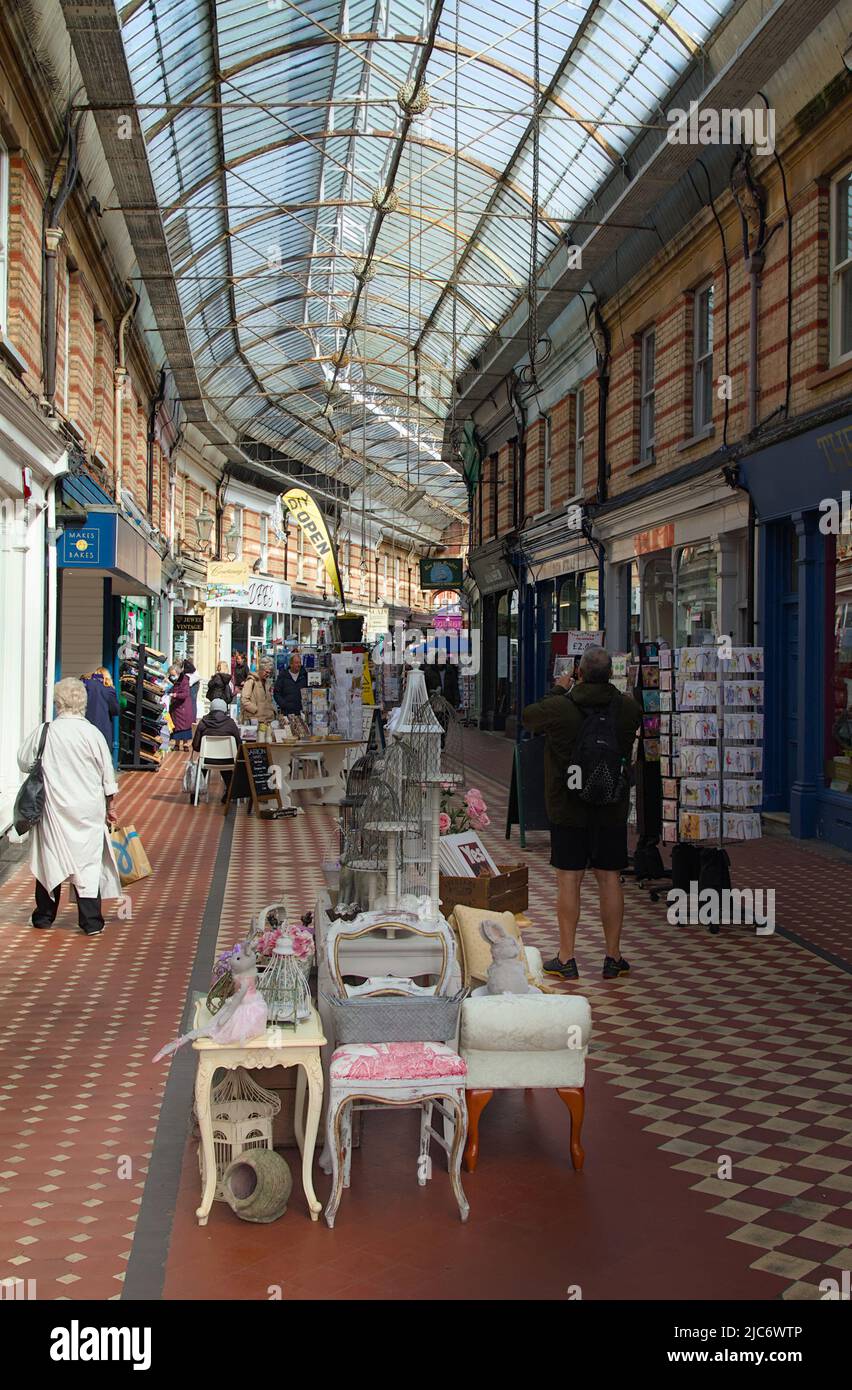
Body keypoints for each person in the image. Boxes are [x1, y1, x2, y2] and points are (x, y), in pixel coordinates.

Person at [522, 645, 642, 980]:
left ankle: (566, 957)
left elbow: (529, 717)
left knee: (569, 880)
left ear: (579, 673)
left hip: (568, 809)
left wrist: (560, 687)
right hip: (611, 807)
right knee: (609, 878)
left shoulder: (560, 707)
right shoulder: (628, 709)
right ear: (609, 674)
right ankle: (613, 957)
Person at [17, 677, 121, 936]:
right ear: (82, 703)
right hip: (87, 808)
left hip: (52, 806)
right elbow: (107, 776)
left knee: (49, 858)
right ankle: (90, 920)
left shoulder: (46, 731)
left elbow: (23, 760)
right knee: (87, 863)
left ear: (58, 702)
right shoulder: (92, 733)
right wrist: (110, 806)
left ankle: (44, 916)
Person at [191, 698, 242, 803]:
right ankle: (229, 792)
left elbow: (195, 746)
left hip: (207, 760)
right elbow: (239, 744)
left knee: (201, 764)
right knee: (226, 765)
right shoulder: (231, 723)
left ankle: (194, 793)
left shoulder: (203, 722)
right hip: (228, 760)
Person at [81, 666, 119, 750]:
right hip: (102, 729)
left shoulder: (84, 683)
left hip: (84, 726)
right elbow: (115, 710)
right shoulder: (108, 689)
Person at [274, 650, 308, 716]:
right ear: (291, 664)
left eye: (299, 663)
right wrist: (283, 704)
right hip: (287, 712)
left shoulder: (304, 676)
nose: (299, 665)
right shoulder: (283, 676)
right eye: (296, 663)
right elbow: (276, 693)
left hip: (301, 712)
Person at [168, 663, 194, 750]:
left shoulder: (184, 681)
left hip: (183, 707)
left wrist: (175, 695)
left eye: (173, 675)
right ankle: (177, 743)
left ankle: (185, 744)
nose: (172, 676)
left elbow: (185, 694)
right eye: (171, 675)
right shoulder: (175, 680)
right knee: (176, 726)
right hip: (176, 707)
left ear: (178, 673)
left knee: (184, 727)